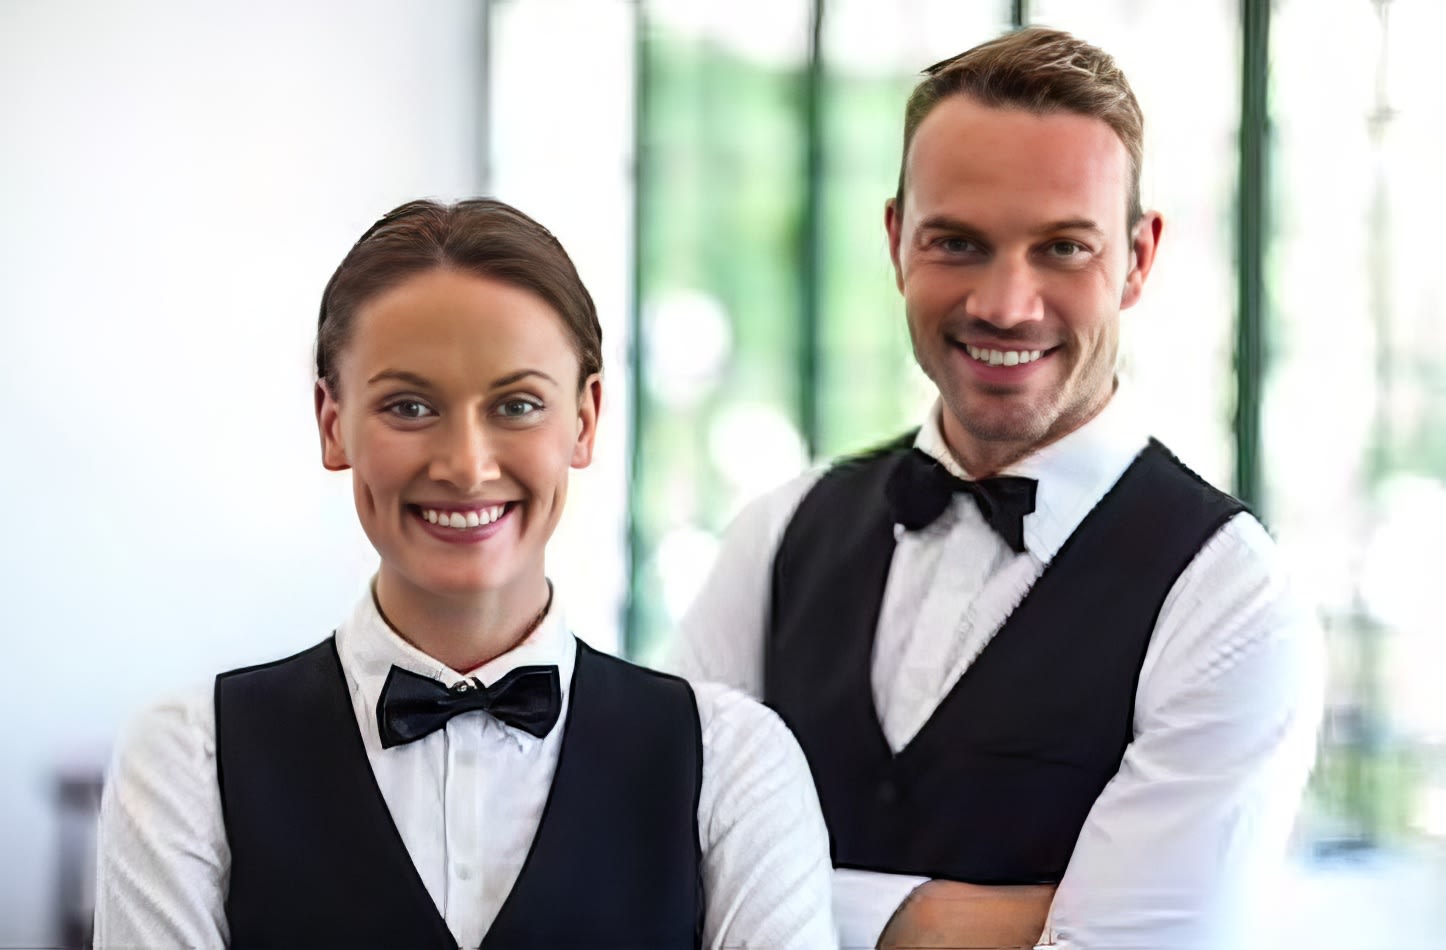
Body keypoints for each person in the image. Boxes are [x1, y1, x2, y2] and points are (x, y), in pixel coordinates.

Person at [667, 27, 1323, 950]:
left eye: (1063, 248)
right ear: (897, 241)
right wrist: (971, 921)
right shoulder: (778, 534)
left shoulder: (1230, 596)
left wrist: (777, 897)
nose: (1005, 305)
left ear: (1138, 259)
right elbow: (650, 870)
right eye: (958, 243)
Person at [93, 198, 836, 949]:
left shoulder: (735, 764)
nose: (467, 466)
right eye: (409, 406)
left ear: (584, 420)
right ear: (332, 421)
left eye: (517, 405)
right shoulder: (187, 761)